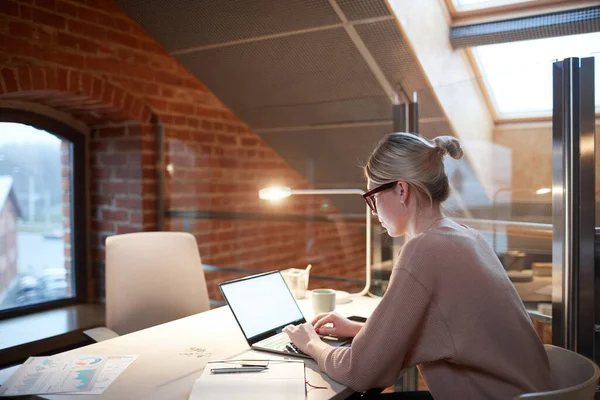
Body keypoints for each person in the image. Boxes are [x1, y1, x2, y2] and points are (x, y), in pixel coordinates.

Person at [283, 133, 553, 399]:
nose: (373, 211)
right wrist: (360, 331)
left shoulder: (424, 250)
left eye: (373, 198)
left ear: (401, 190)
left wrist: (312, 344)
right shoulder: (466, 235)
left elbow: (360, 372)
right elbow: (447, 331)